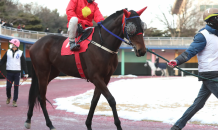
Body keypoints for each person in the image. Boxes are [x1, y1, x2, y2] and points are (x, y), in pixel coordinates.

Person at [168, 8, 218, 130]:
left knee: (198, 104)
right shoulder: (203, 36)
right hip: (210, 74)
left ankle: (177, 126)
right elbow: (190, 51)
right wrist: (177, 60)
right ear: (212, 20)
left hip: (214, 74)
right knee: (198, 104)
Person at [0, 39, 28, 107]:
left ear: (15, 45)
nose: (11, 45)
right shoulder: (8, 52)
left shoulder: (20, 53)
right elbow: (3, 61)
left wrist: (26, 73)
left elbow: (24, 64)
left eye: (12, 43)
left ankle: (14, 101)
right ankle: (9, 97)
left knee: (16, 87)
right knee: (8, 87)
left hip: (17, 73)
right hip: (9, 72)